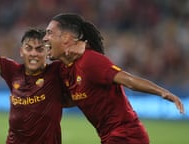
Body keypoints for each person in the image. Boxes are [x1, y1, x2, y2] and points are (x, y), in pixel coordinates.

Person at [43, 13, 185, 144]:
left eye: (50, 33)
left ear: (66, 37)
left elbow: (128, 80)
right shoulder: (64, 69)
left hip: (127, 136)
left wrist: (163, 92)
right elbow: (78, 99)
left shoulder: (90, 60)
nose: (45, 38)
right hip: (111, 137)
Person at [0, 4, 84, 144]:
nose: (34, 53)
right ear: (21, 51)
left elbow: (82, 83)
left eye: (40, 49)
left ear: (48, 52)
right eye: (29, 48)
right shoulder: (13, 71)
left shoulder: (56, 71)